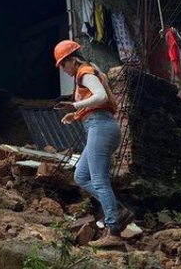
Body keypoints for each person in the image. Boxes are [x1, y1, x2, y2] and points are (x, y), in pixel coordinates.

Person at [54, 40, 128, 248]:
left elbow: (101, 96)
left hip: (101, 127)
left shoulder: (84, 72)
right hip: (98, 126)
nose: (63, 69)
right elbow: (96, 103)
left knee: (98, 180)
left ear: (72, 59)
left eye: (63, 64)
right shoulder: (88, 72)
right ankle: (117, 210)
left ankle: (113, 232)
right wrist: (75, 115)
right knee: (81, 175)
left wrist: (75, 104)